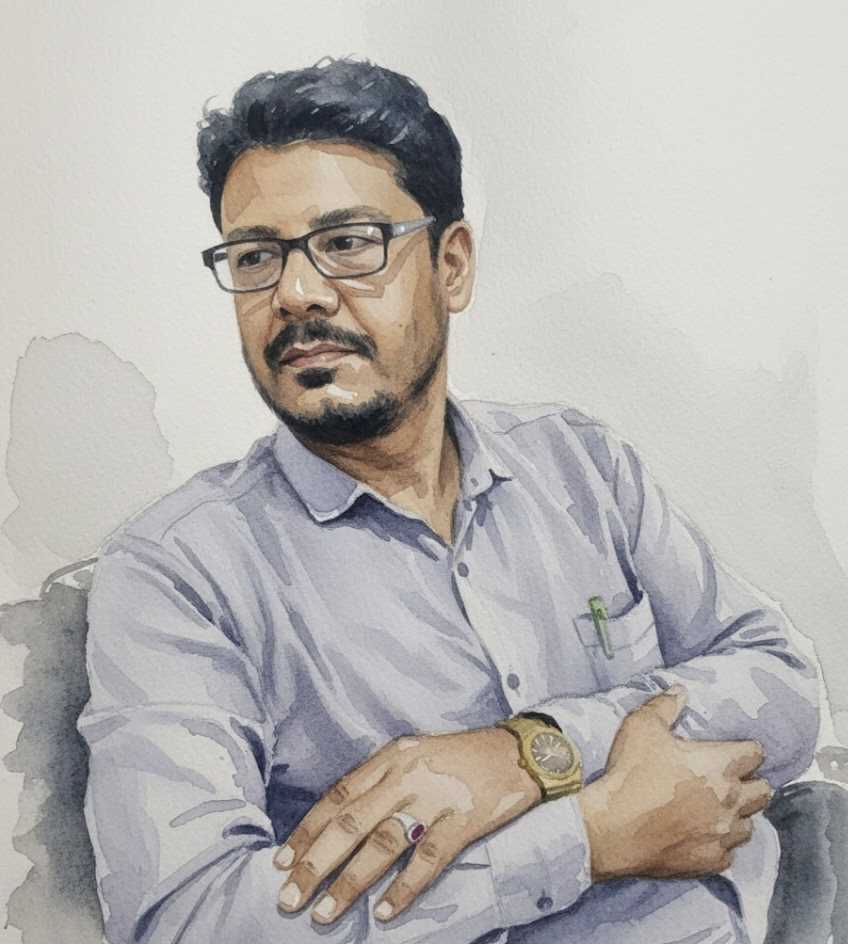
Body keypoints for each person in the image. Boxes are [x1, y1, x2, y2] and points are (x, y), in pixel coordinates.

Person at [77, 59, 820, 944]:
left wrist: (529, 754)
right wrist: (583, 838)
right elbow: (184, 919)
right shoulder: (178, 571)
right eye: (255, 257)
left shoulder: (580, 465)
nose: (296, 293)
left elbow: (780, 680)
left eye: (347, 242)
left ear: (452, 265)